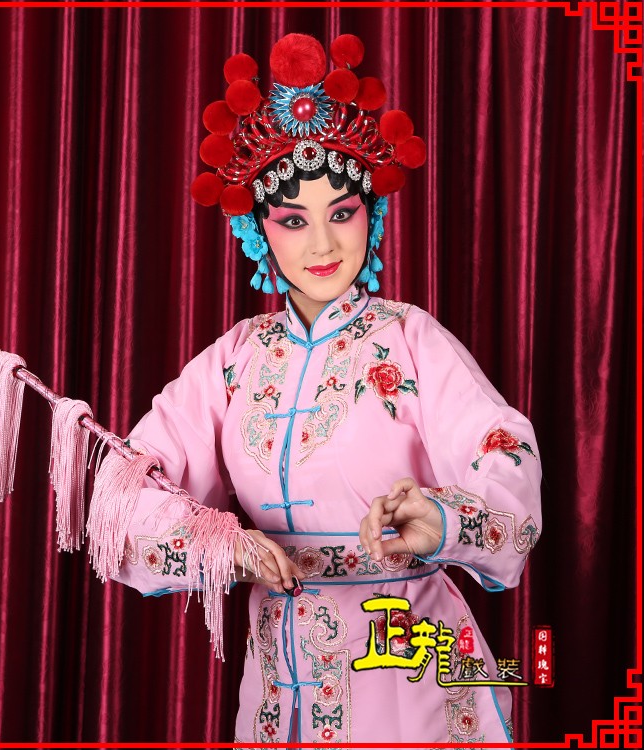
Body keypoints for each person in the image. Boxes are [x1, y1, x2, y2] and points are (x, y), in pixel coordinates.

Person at [109, 33, 541, 746]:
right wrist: (221, 545)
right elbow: (126, 490)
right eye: (292, 220)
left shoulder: (409, 339)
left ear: (371, 216)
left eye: (342, 214)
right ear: (258, 230)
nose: (322, 246)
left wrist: (442, 518)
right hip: (279, 681)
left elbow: (505, 454)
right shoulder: (236, 361)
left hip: (408, 671)